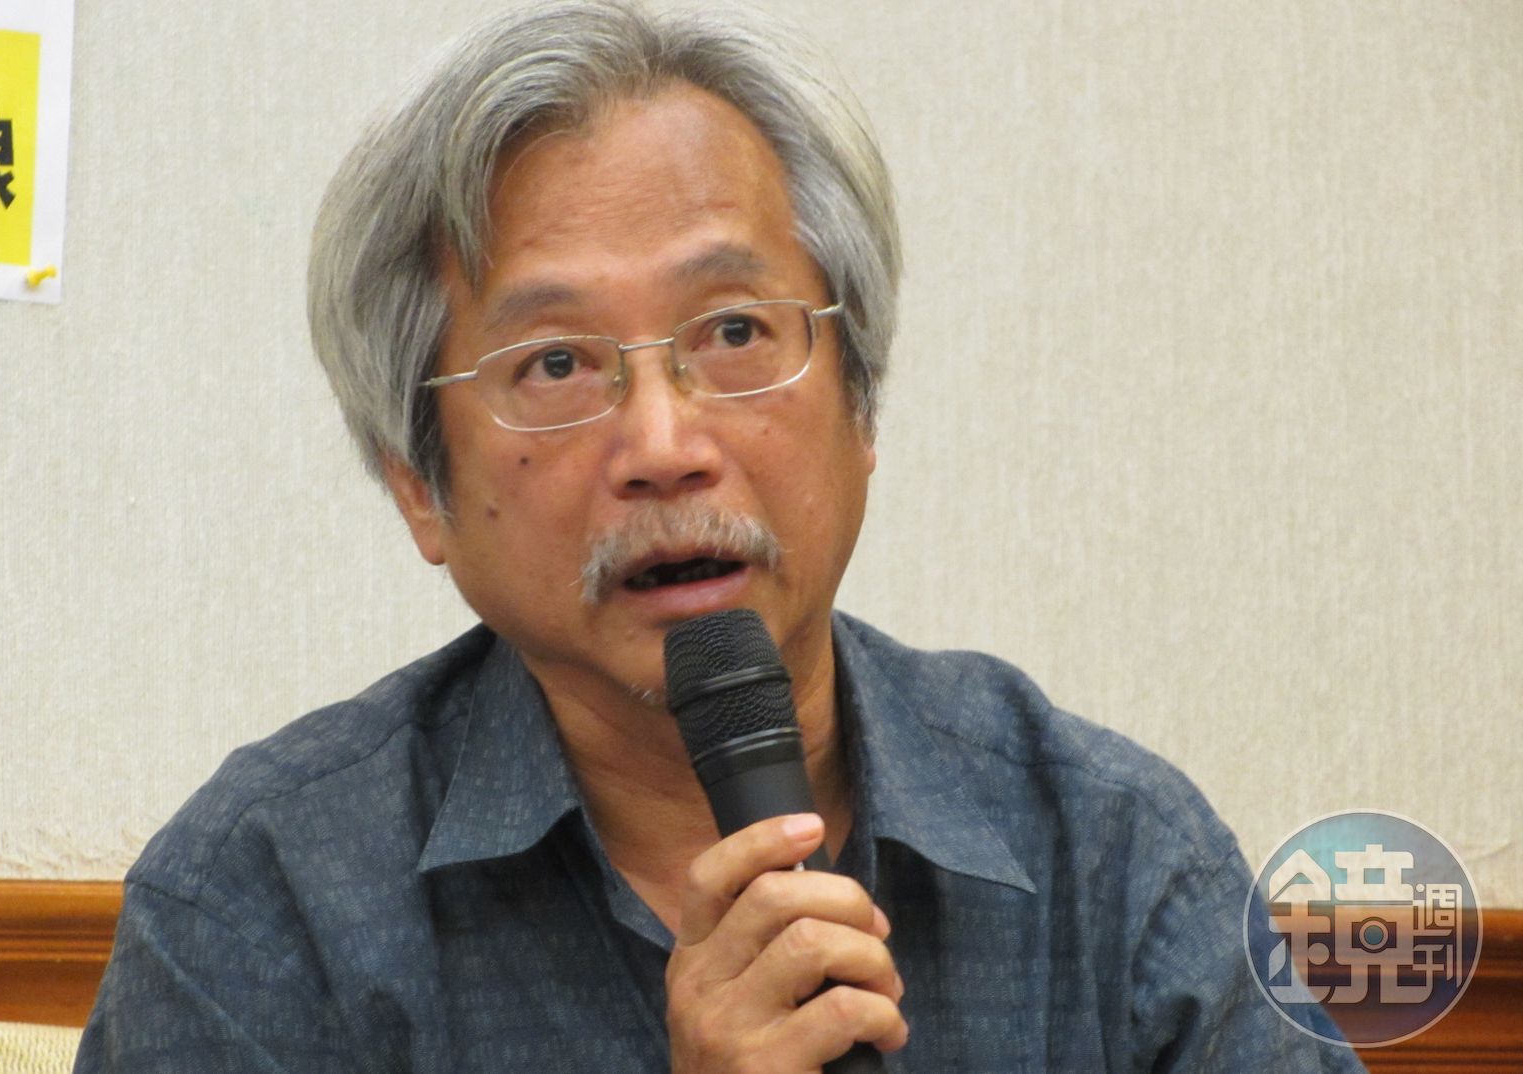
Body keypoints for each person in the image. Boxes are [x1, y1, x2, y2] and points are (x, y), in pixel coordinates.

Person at [76, 3, 1365, 1071]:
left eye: (736, 332)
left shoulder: (1112, 853)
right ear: (419, 486)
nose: (663, 442)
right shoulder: (260, 903)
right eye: (556, 362)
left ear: (862, 403)